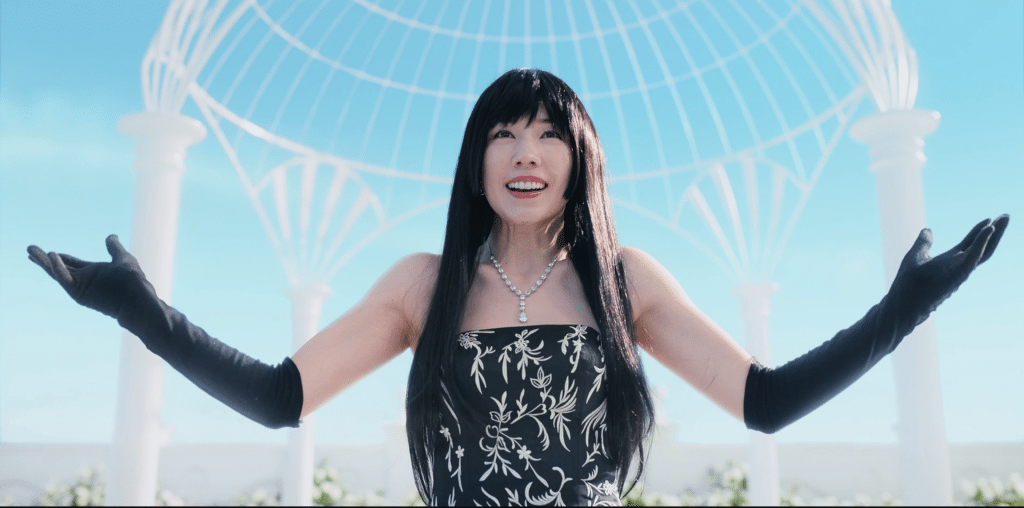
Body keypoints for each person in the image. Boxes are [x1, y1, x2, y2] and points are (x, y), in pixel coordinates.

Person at [27, 69, 1008, 506]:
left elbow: (767, 400)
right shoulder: (423, 285)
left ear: (581, 158)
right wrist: (142, 314)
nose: (525, 152)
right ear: (474, 160)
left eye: (547, 133)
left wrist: (905, 306)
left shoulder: (625, 281)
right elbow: (279, 398)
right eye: (503, 133)